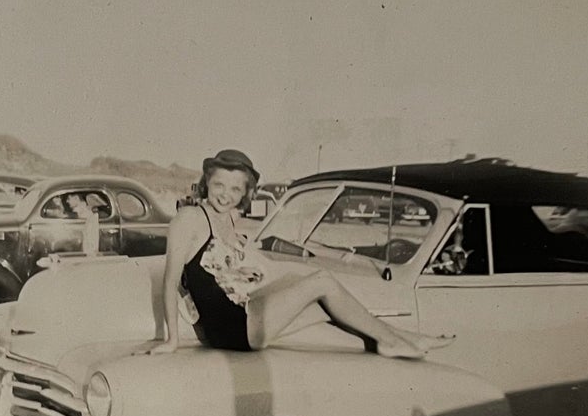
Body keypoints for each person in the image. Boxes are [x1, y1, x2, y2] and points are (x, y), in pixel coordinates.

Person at [147, 149, 447, 358]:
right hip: (235, 329)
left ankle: (401, 339)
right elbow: (170, 279)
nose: (226, 195)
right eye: (219, 185)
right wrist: (171, 341)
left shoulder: (227, 219)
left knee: (330, 311)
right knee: (322, 282)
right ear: (206, 183)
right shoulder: (190, 218)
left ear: (245, 194)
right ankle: (395, 340)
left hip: (245, 316)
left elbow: (253, 275)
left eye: (236, 190)